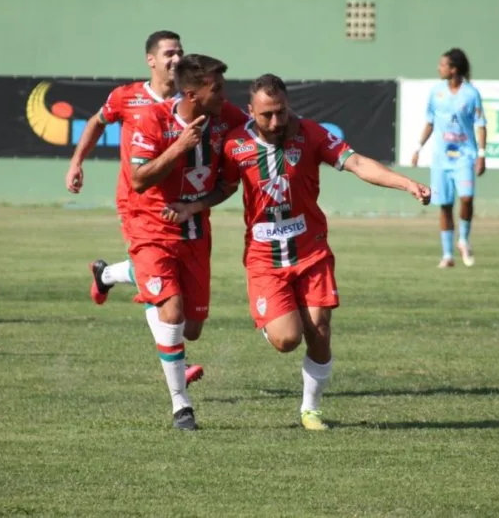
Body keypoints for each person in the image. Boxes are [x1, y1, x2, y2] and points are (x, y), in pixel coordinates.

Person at [163, 74, 431, 430]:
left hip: (310, 252)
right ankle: (269, 321)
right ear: (250, 112)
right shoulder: (234, 144)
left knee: (319, 329)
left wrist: (406, 183)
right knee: (287, 339)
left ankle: (311, 408)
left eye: (280, 112)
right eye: (266, 115)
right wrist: (192, 207)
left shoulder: (311, 134)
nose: (275, 122)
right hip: (264, 259)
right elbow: (225, 187)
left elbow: (357, 163)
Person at [127, 54, 249, 430]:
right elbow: (138, 179)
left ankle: (133, 279)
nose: (225, 96)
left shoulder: (224, 116)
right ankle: (182, 407)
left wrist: (194, 205)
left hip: (195, 233)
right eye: (218, 89)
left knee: (191, 328)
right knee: (173, 314)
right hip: (152, 230)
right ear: (193, 94)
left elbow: (236, 169)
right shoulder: (152, 120)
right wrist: (178, 147)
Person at [64, 30, 182, 306]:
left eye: (180, 52)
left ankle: (105, 275)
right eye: (169, 54)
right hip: (136, 200)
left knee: (167, 268)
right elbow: (96, 122)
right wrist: (76, 162)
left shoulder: (189, 100)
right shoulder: (126, 97)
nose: (177, 59)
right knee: (155, 274)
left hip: (177, 201)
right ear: (150, 60)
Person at [411, 48, 487, 268]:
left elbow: (480, 125)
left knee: (466, 198)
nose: (438, 68)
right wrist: (418, 148)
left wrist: (481, 154)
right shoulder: (436, 92)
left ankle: (463, 239)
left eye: (442, 65)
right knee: (444, 205)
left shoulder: (471, 94)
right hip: (441, 159)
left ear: (453, 69)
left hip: (465, 156)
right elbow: (430, 122)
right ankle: (447, 254)